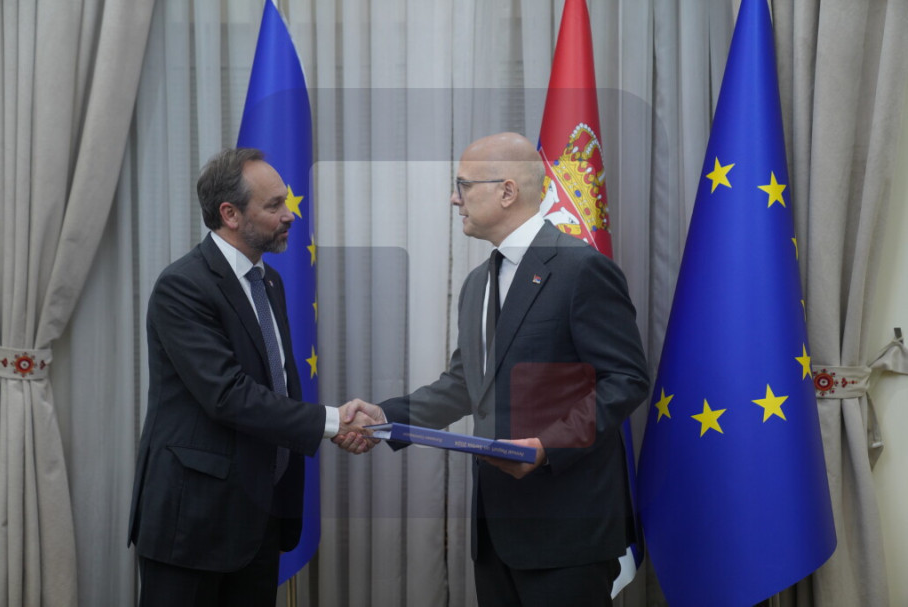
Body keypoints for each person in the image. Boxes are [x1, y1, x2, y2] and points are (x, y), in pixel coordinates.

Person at [338, 132, 650, 606]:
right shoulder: (477, 283)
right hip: (496, 533)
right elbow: (465, 384)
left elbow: (625, 380)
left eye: (463, 185)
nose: (454, 198)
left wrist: (547, 446)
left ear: (507, 191)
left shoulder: (582, 268)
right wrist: (386, 418)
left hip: (568, 532)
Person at [128, 148, 375, 607]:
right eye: (274, 205)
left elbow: (275, 382)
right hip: (194, 524)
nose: (290, 215)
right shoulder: (183, 286)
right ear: (230, 214)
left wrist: (329, 424)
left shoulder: (268, 281)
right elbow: (227, 395)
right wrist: (332, 421)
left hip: (259, 516)